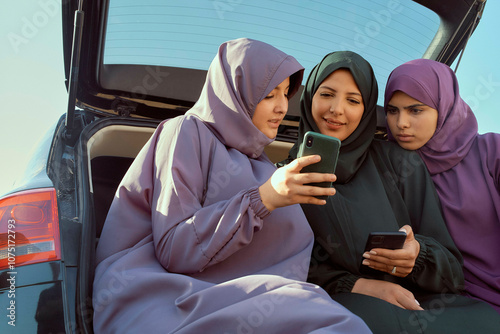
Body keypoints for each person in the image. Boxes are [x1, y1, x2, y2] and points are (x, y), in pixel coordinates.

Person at [92, 38, 371, 333]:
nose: (281, 107)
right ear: (236, 91)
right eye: (269, 95)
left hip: (253, 302)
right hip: (168, 298)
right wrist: (264, 198)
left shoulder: (266, 166)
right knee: (339, 324)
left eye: (286, 94)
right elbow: (174, 248)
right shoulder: (186, 131)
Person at [281, 51, 500, 333]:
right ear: (309, 96)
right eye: (326, 94)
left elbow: (451, 271)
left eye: (353, 100)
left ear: (367, 109)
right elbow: (287, 265)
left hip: (428, 304)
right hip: (342, 305)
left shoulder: (400, 161)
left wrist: (417, 255)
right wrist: (359, 285)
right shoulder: (284, 177)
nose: (336, 109)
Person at [384, 58, 500, 315]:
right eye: (392, 111)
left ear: (444, 107)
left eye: (415, 110)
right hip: (436, 303)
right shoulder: (387, 169)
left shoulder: (492, 151)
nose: (401, 123)